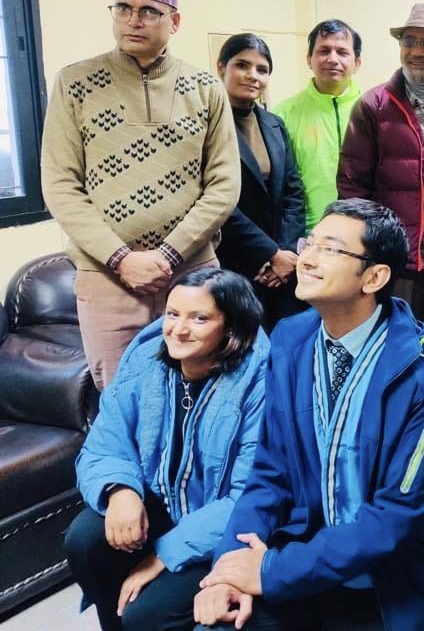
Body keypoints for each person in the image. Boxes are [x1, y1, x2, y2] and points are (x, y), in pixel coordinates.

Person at [194, 199, 424, 630]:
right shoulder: (291, 339)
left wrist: (271, 571)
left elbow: (395, 518)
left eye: (330, 249)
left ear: (374, 277)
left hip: (385, 578)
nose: (307, 258)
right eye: (309, 243)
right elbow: (269, 473)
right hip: (300, 551)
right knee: (216, 624)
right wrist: (229, 568)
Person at [41, 0, 240, 389]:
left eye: (149, 10)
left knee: (204, 390)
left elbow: (224, 185)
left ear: (175, 21)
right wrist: (121, 258)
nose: (134, 20)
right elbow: (60, 185)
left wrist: (169, 255)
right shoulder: (75, 83)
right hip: (107, 279)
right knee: (122, 397)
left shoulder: (206, 89)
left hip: (192, 274)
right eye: (123, 8)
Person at [64, 267, 268, 631]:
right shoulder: (146, 358)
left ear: (231, 327)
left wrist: (164, 553)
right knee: (84, 541)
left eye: (199, 318)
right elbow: (105, 442)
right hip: (162, 502)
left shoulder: (259, 380)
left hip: (223, 527)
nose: (179, 329)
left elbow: (250, 494)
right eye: (173, 314)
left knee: (146, 614)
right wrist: (120, 490)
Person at [338, 3, 424, 343]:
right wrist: (373, 250)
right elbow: (353, 189)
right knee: (401, 344)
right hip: (402, 259)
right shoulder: (374, 106)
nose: (416, 52)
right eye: (409, 41)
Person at [214, 34, 307, 328]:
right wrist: (268, 253)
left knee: (287, 340)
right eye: (242, 65)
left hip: (283, 268)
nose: (253, 75)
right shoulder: (205, 125)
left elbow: (293, 193)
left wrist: (286, 254)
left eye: (262, 69)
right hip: (234, 261)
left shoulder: (273, 123)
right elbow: (215, 201)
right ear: (221, 67)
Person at [273, 20, 363, 233]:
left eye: (342, 52)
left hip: (365, 232)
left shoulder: (374, 110)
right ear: (309, 59)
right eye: (324, 51)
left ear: (357, 63)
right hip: (307, 234)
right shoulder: (282, 115)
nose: (333, 59)